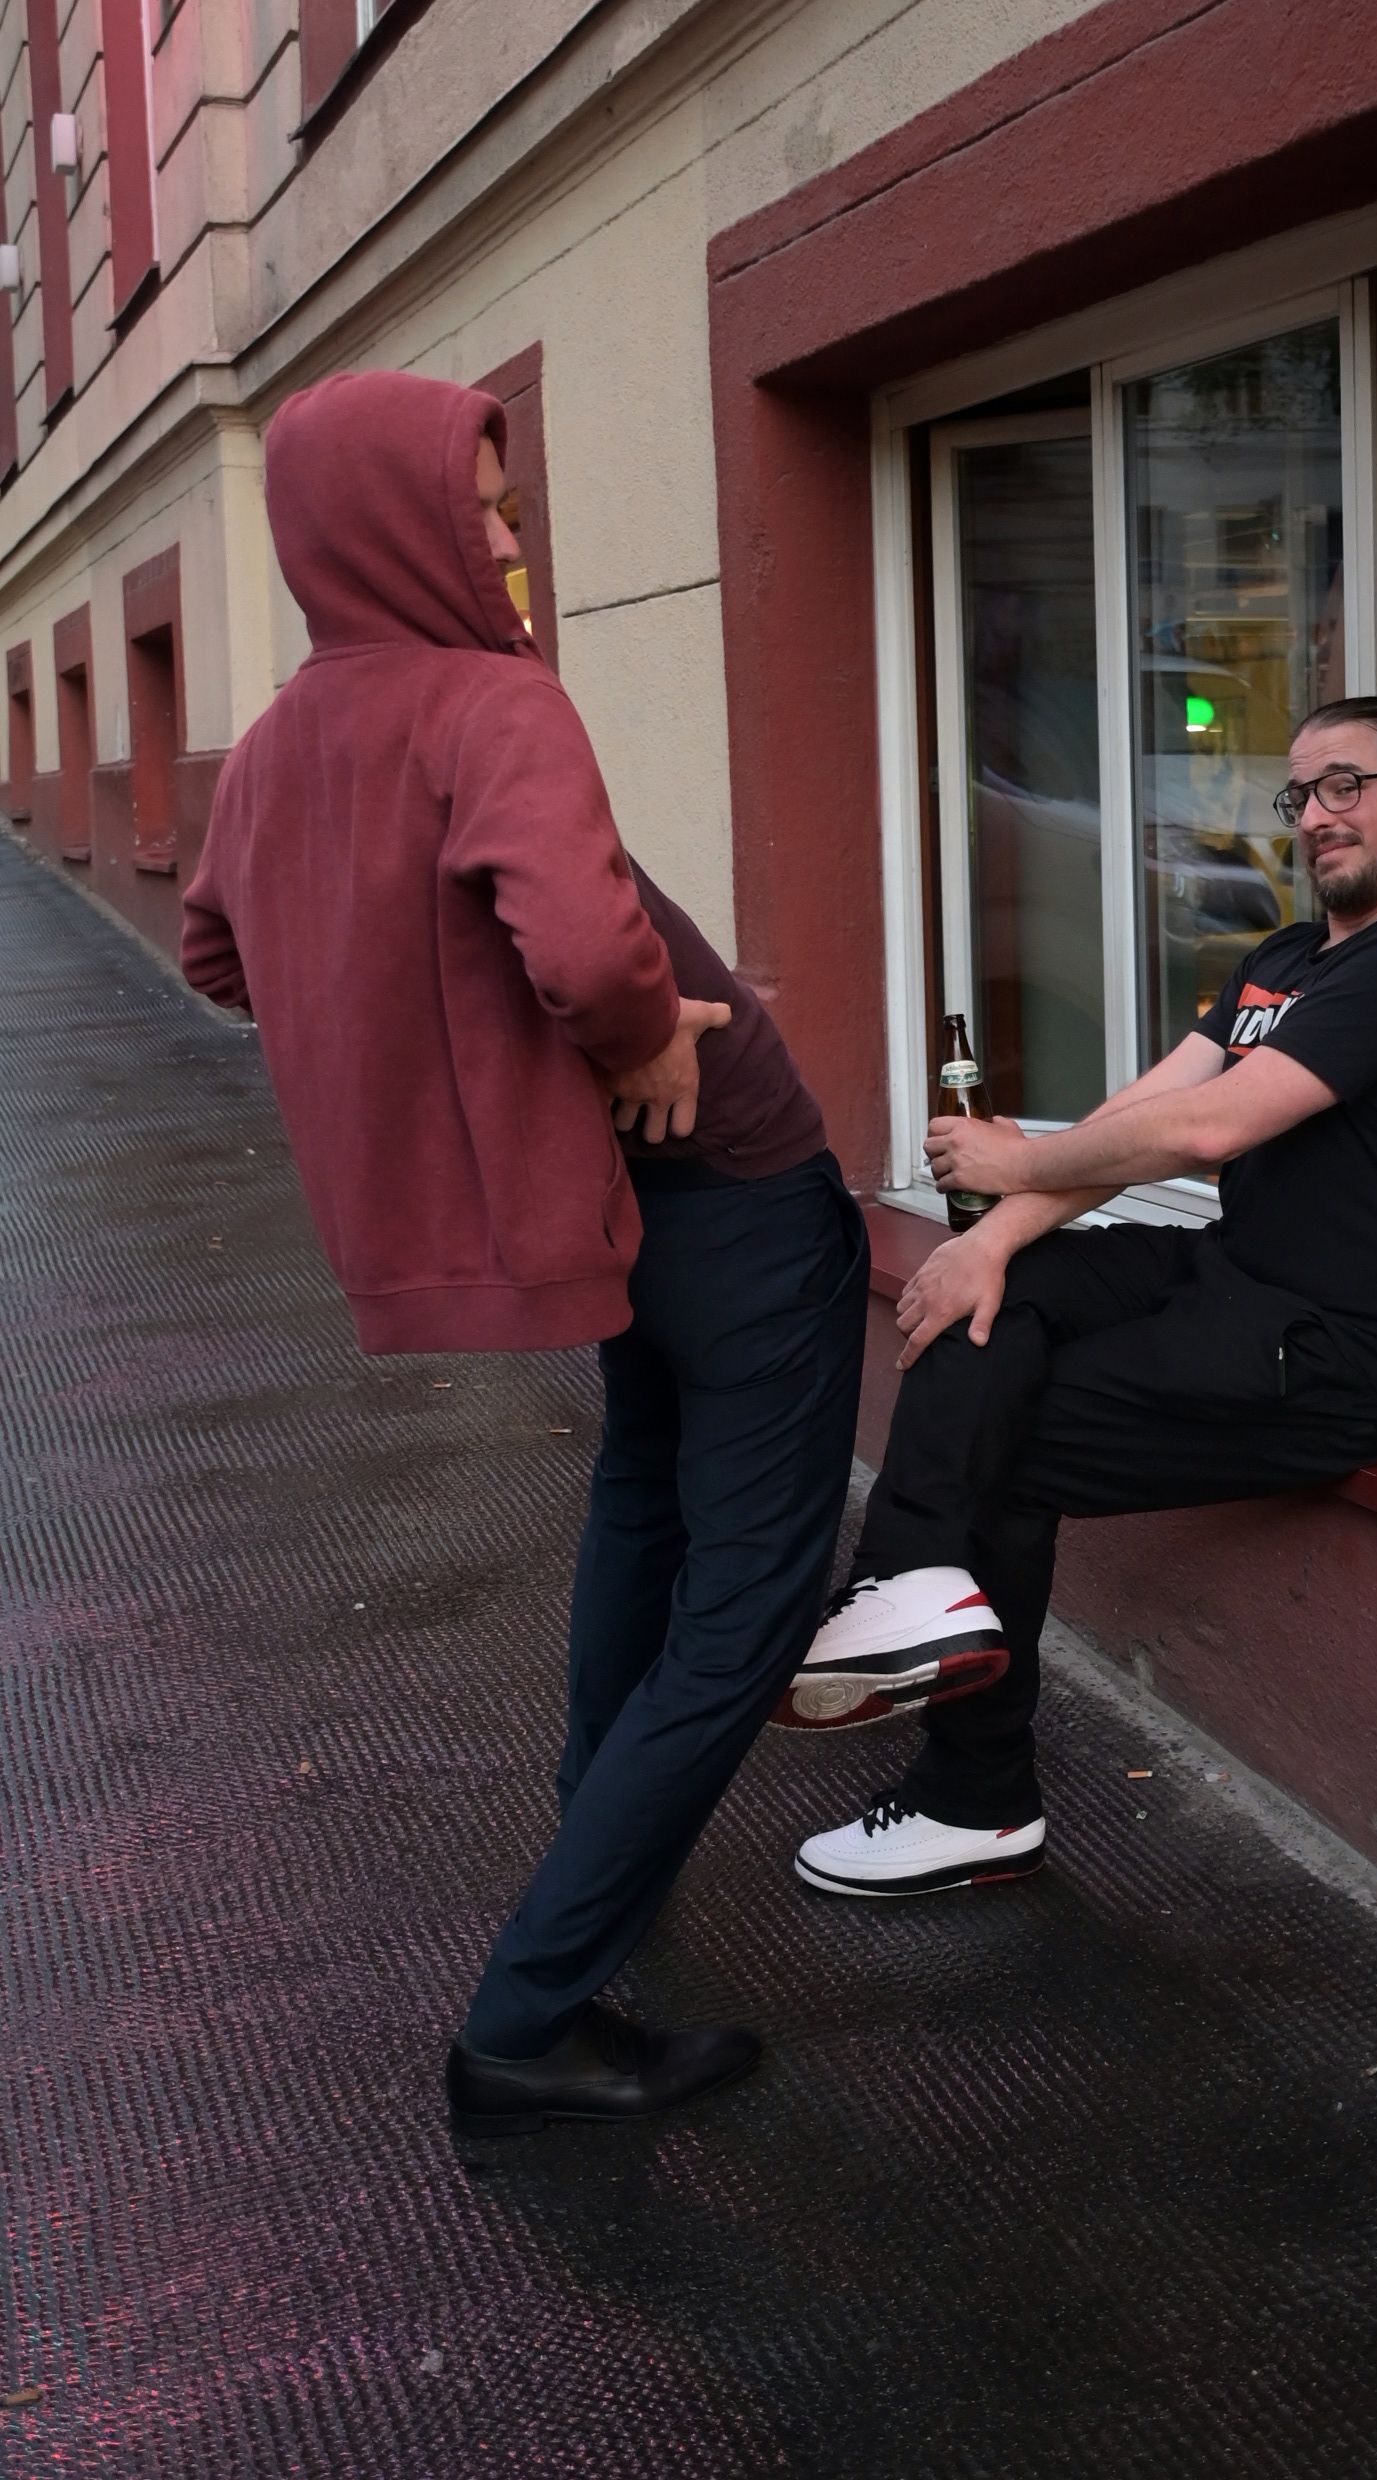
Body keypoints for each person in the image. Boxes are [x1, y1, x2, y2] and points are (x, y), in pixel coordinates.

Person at [181, 370, 867, 2133]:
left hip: (632, 1211)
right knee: (751, 1597)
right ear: (390, 523)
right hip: (736, 1180)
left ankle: (599, 1844)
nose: (505, 540)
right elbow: (574, 945)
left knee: (645, 1498)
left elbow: (224, 957)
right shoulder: (493, 699)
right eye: (480, 510)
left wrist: (500, 1045)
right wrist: (629, 1031)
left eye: (509, 509)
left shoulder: (275, 747)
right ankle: (528, 2013)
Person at [777, 696, 1377, 1900]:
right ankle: (900, 1585)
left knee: (1004, 1437)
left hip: (1351, 1349)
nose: (1317, 815)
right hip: (1240, 1279)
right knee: (998, 1295)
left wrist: (1013, 1163)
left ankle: (974, 1799)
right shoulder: (1281, 960)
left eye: (1347, 785)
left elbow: (1211, 1127)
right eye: (1301, 794)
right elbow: (1140, 1113)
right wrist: (993, 1238)